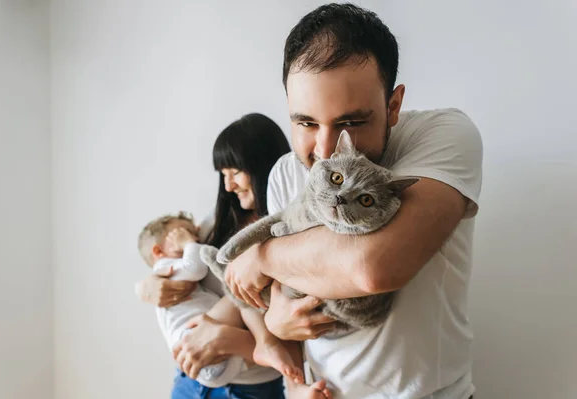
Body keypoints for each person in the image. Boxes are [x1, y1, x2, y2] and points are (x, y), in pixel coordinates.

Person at [221, 3, 482, 399]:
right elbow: (286, 317)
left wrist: (261, 255)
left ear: (393, 106)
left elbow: (372, 267)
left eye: (351, 123)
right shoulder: (284, 173)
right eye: (305, 122)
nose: (325, 151)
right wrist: (279, 338)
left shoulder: (443, 135)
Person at [137, 113, 331, 399]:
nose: (228, 186)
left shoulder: (293, 233)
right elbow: (172, 264)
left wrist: (233, 341)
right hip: (191, 380)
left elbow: (301, 332)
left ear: (260, 166)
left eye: (235, 172)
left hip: (252, 389)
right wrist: (146, 287)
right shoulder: (214, 225)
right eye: (223, 175)